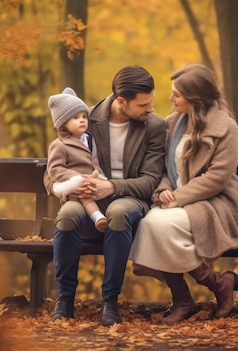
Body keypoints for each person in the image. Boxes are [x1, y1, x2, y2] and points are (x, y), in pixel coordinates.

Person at [128, 64, 238, 323]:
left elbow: (218, 177)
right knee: (149, 223)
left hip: (215, 201)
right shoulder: (172, 122)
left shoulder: (227, 128)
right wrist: (164, 188)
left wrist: (179, 197)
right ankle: (205, 289)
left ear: (195, 97)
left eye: (177, 94)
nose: (170, 98)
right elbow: (161, 166)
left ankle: (202, 291)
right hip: (175, 200)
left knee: (158, 227)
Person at [44, 66, 167, 326]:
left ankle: (110, 300)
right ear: (121, 102)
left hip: (128, 199)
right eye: (144, 104)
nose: (151, 110)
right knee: (66, 214)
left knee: (119, 212)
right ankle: (65, 299)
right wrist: (68, 186)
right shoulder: (85, 119)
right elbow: (52, 170)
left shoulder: (154, 127)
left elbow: (150, 181)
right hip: (88, 200)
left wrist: (111, 187)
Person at [47, 87, 108, 232]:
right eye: (75, 118)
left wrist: (98, 177)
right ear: (63, 123)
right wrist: (77, 178)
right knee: (84, 195)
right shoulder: (59, 145)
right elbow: (55, 169)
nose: (82, 121)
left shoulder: (89, 139)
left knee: (94, 191)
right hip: (73, 188)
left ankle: (102, 219)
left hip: (91, 183)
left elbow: (94, 163)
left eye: (84, 117)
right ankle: (97, 217)